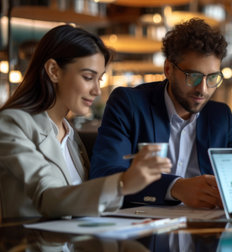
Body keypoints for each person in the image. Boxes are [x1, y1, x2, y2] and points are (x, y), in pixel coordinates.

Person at [0, 25, 171, 218]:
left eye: (99, 79)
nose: (97, 91)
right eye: (88, 77)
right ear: (54, 70)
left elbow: (82, 202)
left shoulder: (69, 132)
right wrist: (122, 183)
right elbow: (47, 197)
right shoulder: (12, 124)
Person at [90, 18, 232, 209]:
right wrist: (175, 187)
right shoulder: (129, 104)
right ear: (168, 69)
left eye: (212, 77)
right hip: (140, 230)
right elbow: (105, 174)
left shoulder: (221, 116)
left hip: (206, 230)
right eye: (193, 76)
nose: (203, 89)